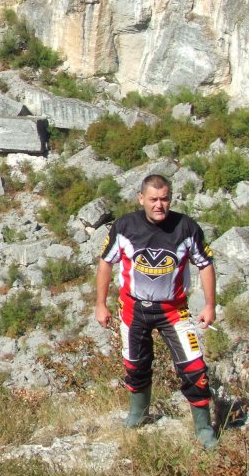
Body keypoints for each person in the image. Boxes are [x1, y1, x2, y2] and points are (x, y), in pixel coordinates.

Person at [95, 174, 219, 449]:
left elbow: (205, 264)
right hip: (133, 308)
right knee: (135, 365)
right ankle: (138, 416)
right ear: (141, 199)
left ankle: (203, 429)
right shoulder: (125, 226)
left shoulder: (186, 227)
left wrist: (210, 305)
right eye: (153, 199)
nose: (159, 205)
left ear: (170, 199)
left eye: (164, 199)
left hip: (173, 311)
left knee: (194, 368)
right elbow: (105, 262)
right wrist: (100, 304)